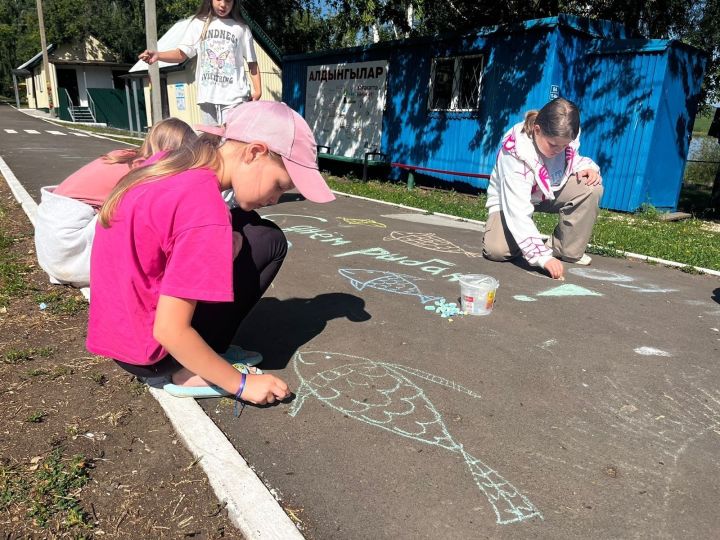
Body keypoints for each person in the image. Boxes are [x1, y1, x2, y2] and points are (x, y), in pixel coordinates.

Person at [86, 101, 336, 405]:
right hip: (153, 352)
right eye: (280, 185)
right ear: (254, 152)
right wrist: (241, 384)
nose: (275, 198)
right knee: (269, 240)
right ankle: (186, 367)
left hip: (118, 333)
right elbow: (169, 329)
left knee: (250, 226)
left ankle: (194, 355)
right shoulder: (204, 208)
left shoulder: (170, 164)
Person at [34, 118, 197, 288]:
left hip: (52, 243)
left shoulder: (125, 156)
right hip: (72, 248)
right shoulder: (143, 171)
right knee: (143, 214)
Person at [482, 97, 603, 280]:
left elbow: (572, 159)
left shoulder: (562, 142)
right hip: (510, 201)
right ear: (537, 130)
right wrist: (541, 257)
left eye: (564, 145)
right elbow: (518, 210)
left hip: (547, 192)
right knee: (497, 250)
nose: (558, 150)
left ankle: (565, 249)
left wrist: (586, 167)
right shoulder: (516, 154)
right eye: (553, 145)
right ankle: (532, 246)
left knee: (590, 187)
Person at [138, 0, 261, 126]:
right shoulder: (199, 24)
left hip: (234, 95)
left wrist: (258, 90)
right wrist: (159, 55)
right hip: (207, 96)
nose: (223, 5)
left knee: (231, 140)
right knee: (209, 141)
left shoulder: (241, 28)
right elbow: (181, 54)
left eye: (228, 1)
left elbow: (252, 62)